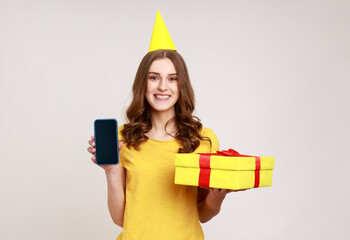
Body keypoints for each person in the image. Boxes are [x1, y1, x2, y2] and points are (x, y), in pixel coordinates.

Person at [87, 12, 242, 240]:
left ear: (182, 85)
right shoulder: (123, 138)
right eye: (154, 77)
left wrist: (217, 196)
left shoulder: (203, 139)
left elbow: (202, 214)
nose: (163, 86)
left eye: (172, 78)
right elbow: (120, 219)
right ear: (144, 83)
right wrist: (111, 171)